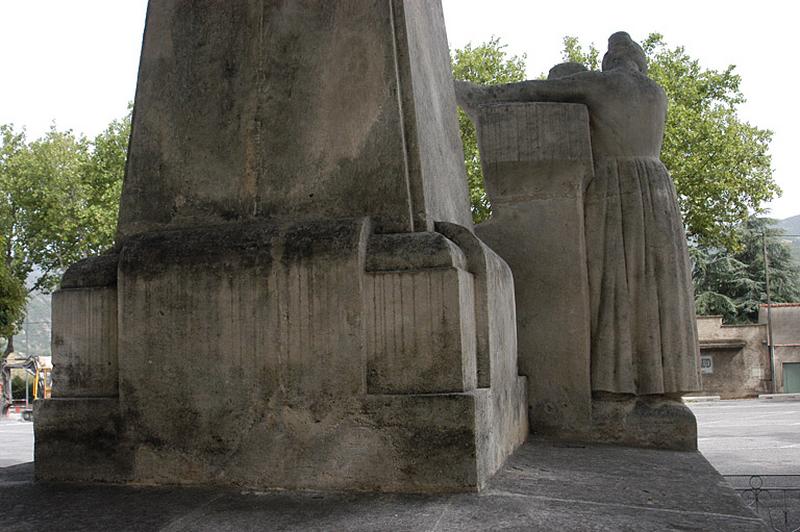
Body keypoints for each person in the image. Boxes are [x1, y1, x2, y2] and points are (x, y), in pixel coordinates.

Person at [455, 32, 700, 401]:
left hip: (618, 185)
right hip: (657, 186)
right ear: (639, 60)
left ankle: (615, 390)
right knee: (656, 287)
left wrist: (473, 94)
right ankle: (664, 392)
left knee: (615, 284)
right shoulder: (654, 92)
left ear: (610, 60)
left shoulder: (603, 84)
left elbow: (533, 91)